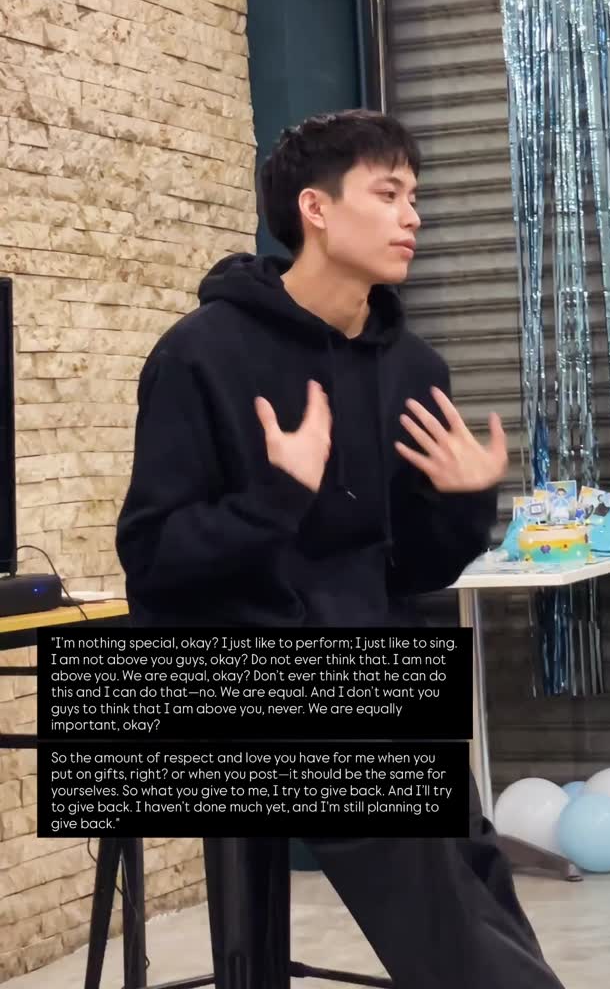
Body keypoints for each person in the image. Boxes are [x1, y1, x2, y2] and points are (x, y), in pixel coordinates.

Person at [116, 110, 565, 989]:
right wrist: (276, 498)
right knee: (407, 829)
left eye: (415, 197)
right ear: (315, 209)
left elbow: (411, 572)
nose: (413, 217)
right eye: (388, 194)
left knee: (466, 855)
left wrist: (466, 502)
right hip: (218, 670)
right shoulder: (200, 354)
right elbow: (153, 559)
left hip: (362, 668)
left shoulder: (414, 369)